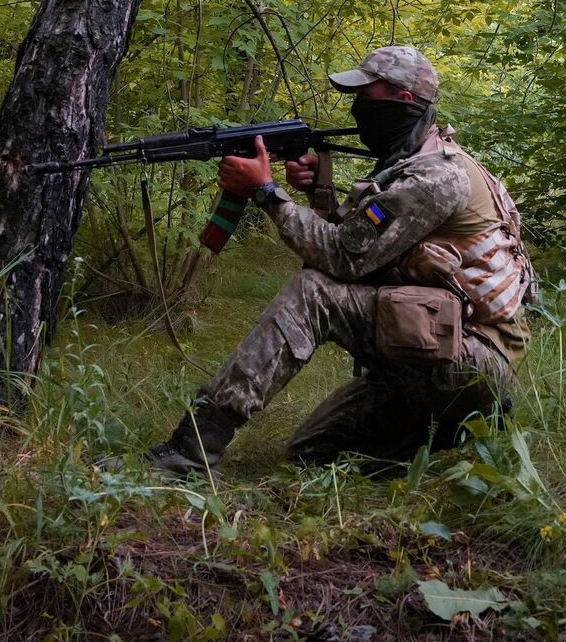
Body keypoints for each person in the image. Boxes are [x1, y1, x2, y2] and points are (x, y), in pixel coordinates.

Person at [140, 45, 537, 475]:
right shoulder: (414, 163)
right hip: (433, 353)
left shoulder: (437, 176)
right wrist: (319, 191)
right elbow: (362, 248)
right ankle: (438, 431)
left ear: (403, 101)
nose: (357, 107)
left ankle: (191, 451)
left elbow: (341, 260)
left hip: (472, 367)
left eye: (368, 95)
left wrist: (267, 193)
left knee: (313, 293)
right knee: (309, 456)